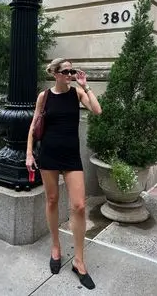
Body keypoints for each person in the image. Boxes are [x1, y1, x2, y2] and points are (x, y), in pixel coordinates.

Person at [26, 58, 102, 290]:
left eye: (72, 70)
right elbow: (33, 126)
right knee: (51, 200)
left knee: (78, 206)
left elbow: (98, 111)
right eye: (66, 71)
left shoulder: (77, 94)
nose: (70, 74)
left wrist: (85, 85)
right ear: (56, 74)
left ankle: (79, 261)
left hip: (71, 157)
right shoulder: (44, 96)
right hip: (48, 154)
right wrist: (29, 154)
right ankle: (56, 247)